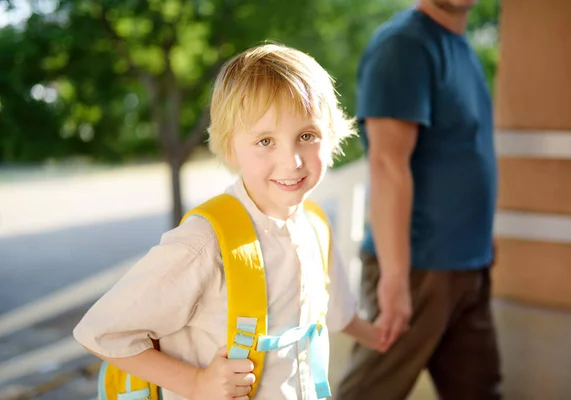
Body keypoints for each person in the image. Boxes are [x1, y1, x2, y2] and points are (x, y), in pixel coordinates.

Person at [73, 43, 383, 400]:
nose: (293, 160)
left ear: (331, 134)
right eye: (265, 140)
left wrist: (380, 336)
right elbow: (101, 331)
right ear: (230, 146)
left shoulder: (314, 224)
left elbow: (333, 309)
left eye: (307, 136)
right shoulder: (204, 243)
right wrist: (195, 383)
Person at [336, 1, 502, 399]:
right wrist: (394, 278)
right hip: (417, 268)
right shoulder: (404, 45)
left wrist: (480, 236)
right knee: (369, 393)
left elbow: (463, 153)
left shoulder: (462, 48)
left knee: (481, 392)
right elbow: (387, 162)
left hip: (468, 265)